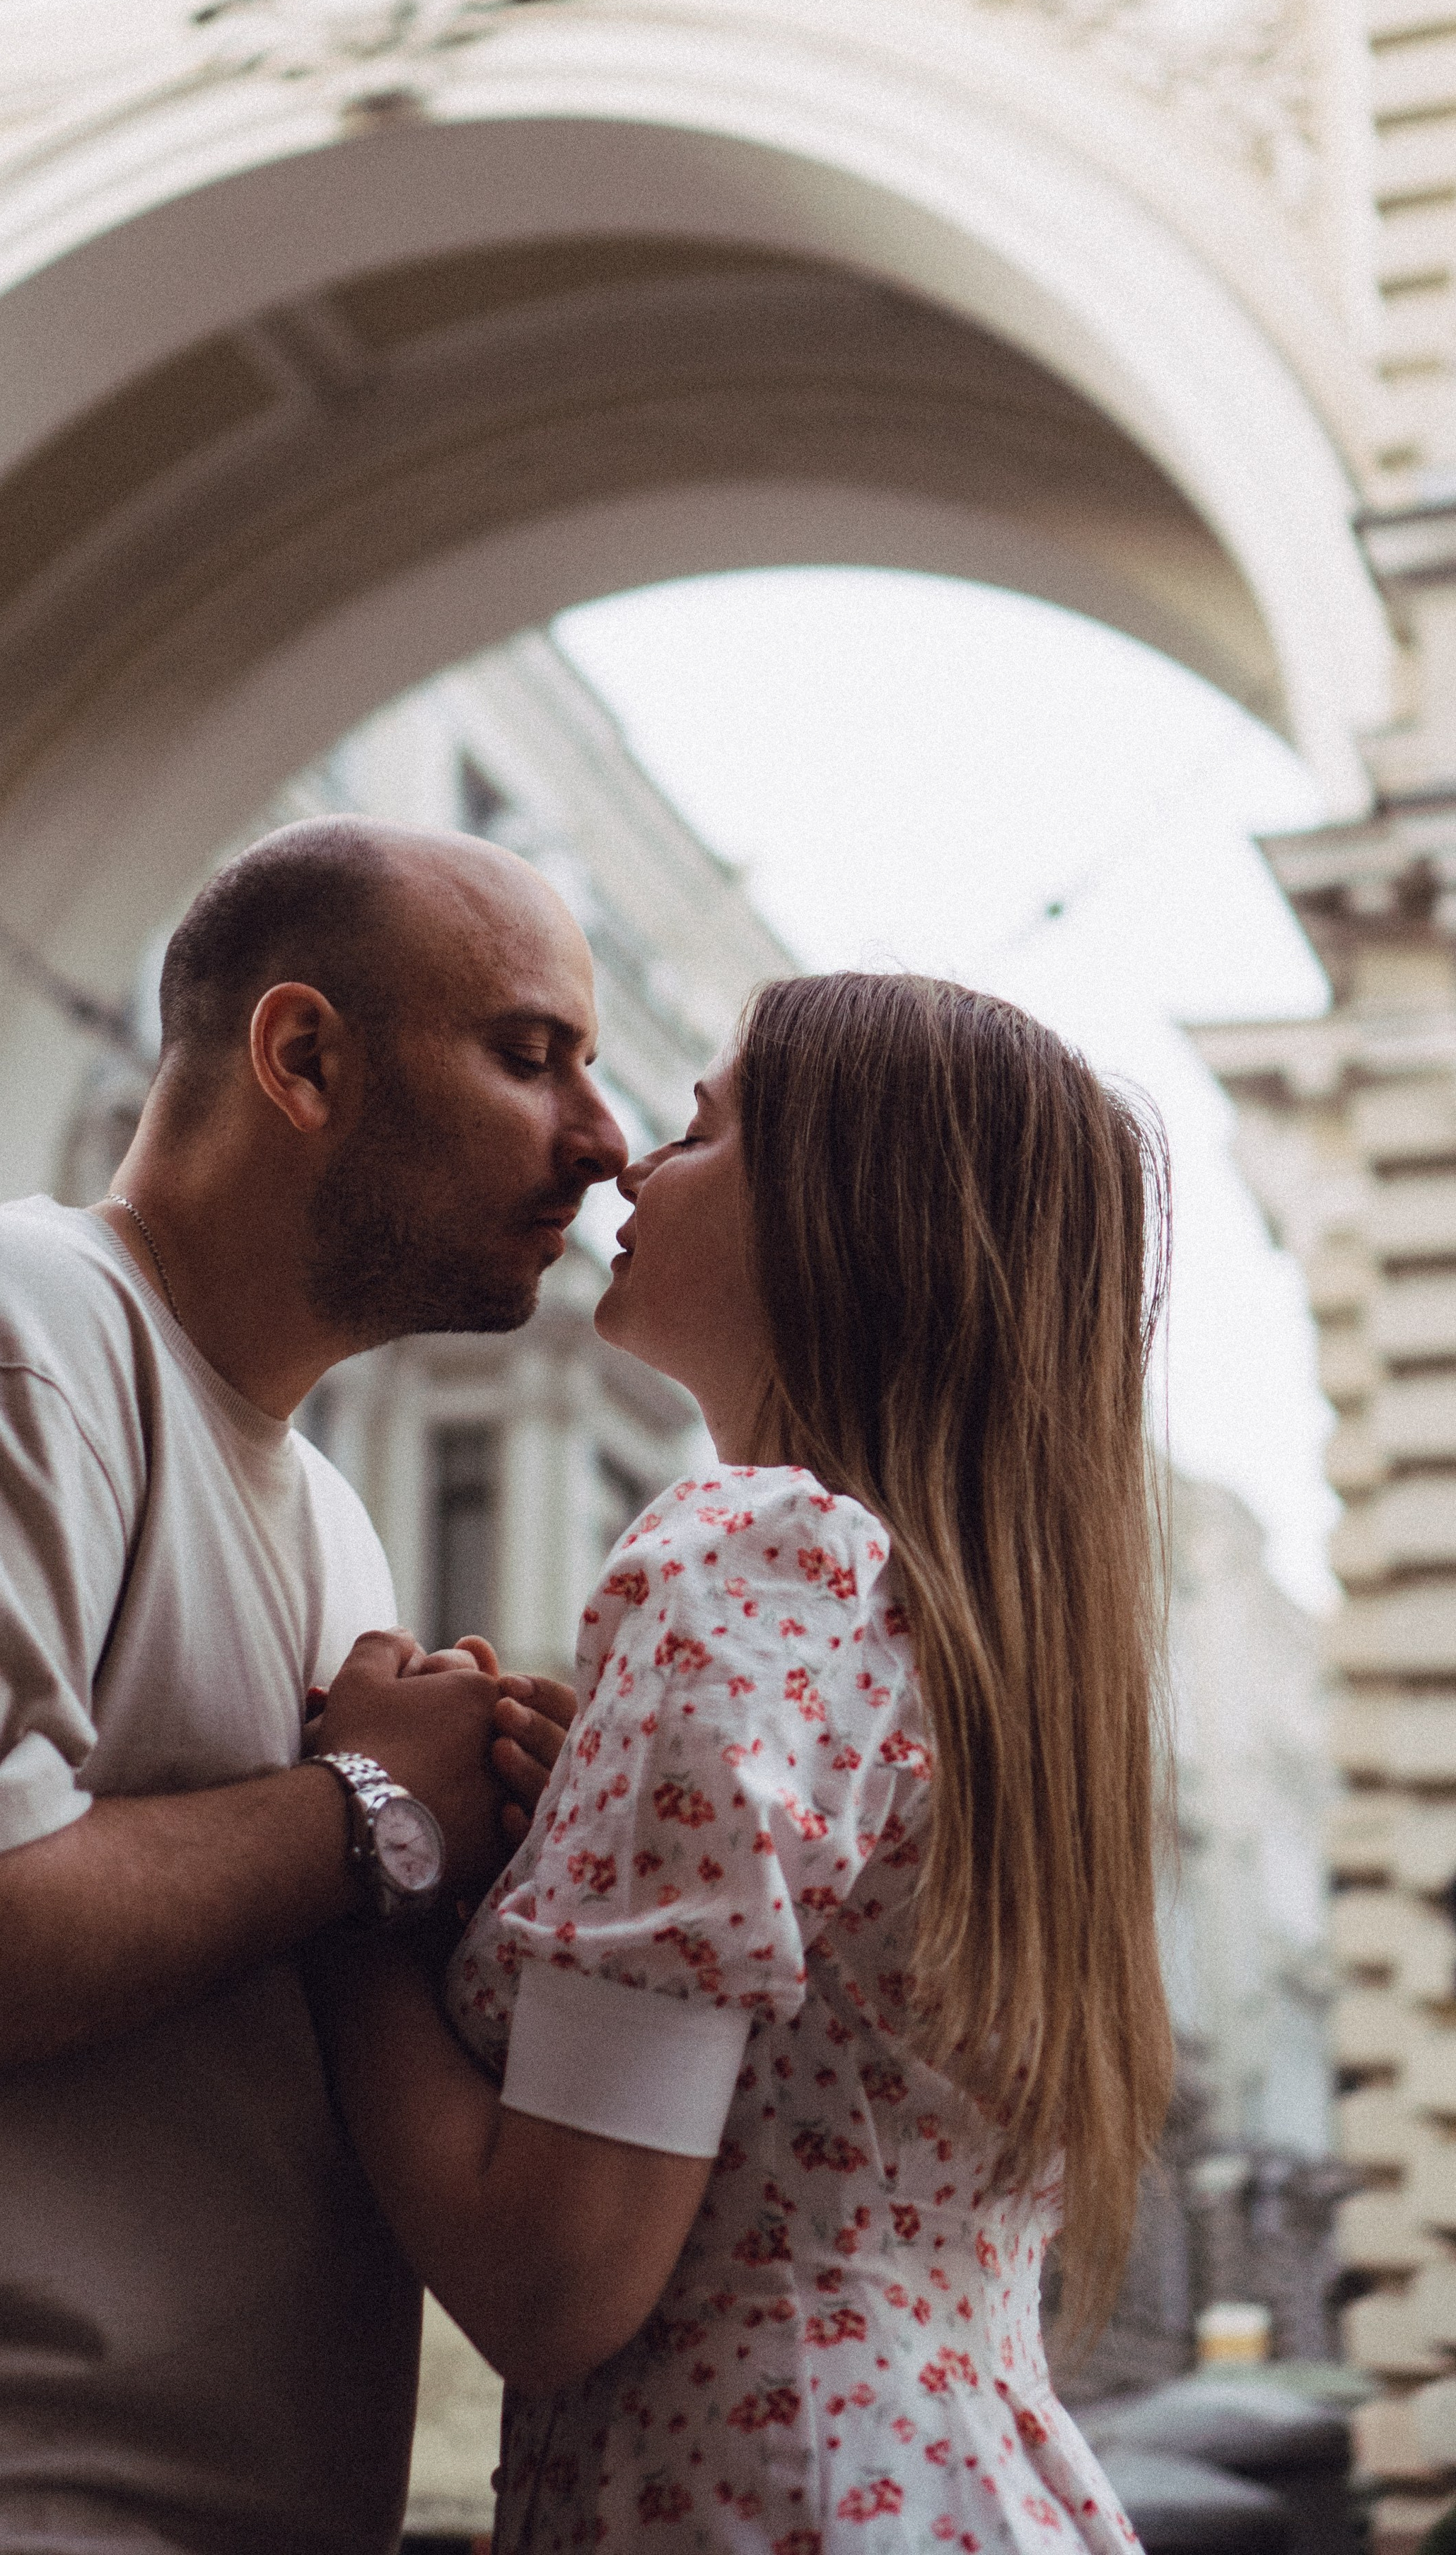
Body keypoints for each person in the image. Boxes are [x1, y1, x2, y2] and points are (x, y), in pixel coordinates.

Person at [0, 816, 626, 2553]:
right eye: (526, 1054)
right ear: (303, 1056)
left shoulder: (328, 1518)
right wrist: (376, 1808)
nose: (601, 1139)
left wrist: (486, 1833)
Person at [313, 969, 1175, 2554]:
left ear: (847, 1215)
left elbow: (553, 2279)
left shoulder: (751, 1553)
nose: (630, 1165)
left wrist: (361, 1850)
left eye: (701, 1132)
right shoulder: (976, 1641)